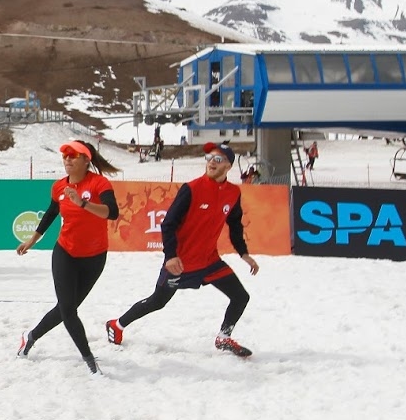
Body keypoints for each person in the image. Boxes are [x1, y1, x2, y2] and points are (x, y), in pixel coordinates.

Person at [105, 142, 260, 358]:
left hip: (209, 261)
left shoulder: (233, 193)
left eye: (218, 159)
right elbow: (168, 224)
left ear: (228, 166)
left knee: (241, 296)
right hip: (181, 262)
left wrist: (244, 254)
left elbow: (235, 225)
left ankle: (223, 337)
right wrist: (170, 256)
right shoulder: (192, 188)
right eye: (209, 158)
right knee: (157, 302)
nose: (211, 162)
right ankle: (117, 324)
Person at [15, 140, 119, 374]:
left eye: (73, 156)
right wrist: (32, 240)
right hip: (65, 252)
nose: (68, 160)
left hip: (94, 256)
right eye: (65, 156)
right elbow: (52, 213)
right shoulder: (58, 187)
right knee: (69, 310)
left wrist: (82, 203)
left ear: (86, 160)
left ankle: (30, 336)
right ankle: (91, 363)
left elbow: (112, 213)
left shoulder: (99, 183)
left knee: (66, 308)